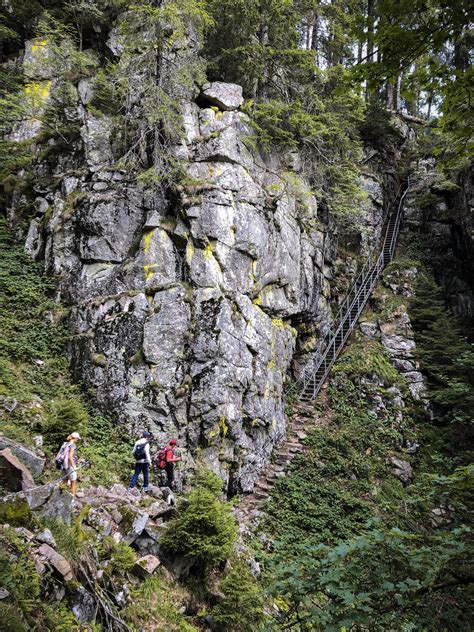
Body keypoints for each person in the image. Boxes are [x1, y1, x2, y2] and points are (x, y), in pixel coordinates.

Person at [61, 432, 81, 497]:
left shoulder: (65, 444)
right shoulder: (73, 445)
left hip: (63, 465)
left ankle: (62, 496)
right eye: (77, 439)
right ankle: (73, 497)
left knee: (64, 481)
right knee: (73, 481)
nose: (77, 440)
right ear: (75, 438)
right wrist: (74, 466)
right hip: (69, 466)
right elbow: (70, 456)